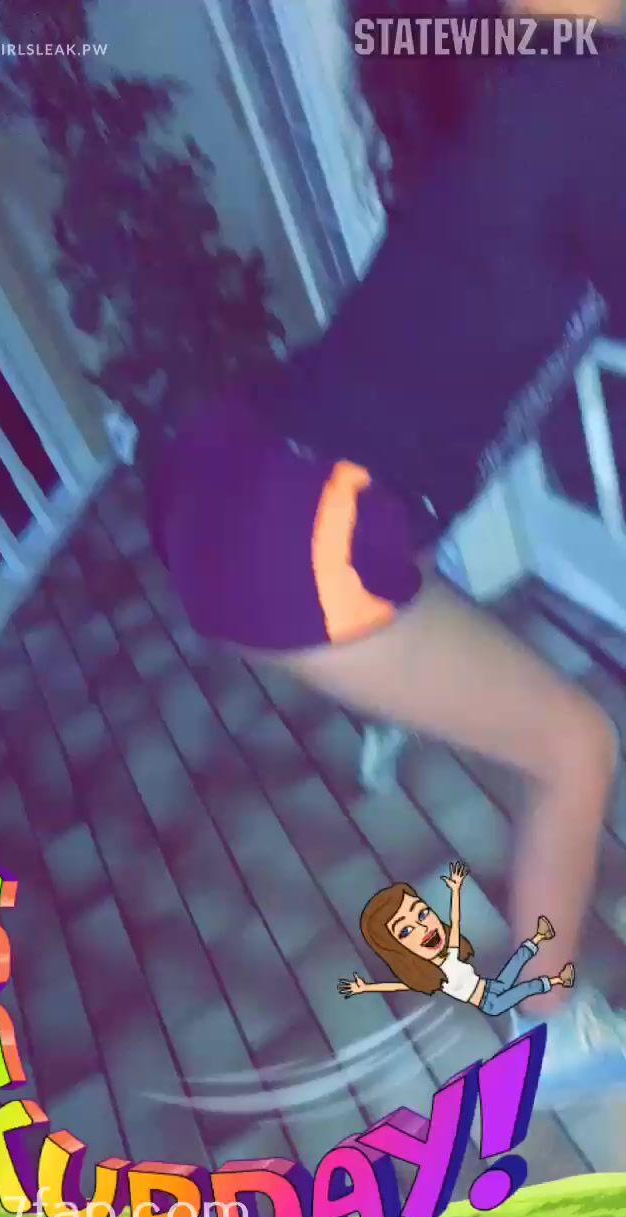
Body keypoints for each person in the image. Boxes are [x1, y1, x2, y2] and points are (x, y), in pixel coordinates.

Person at [148, 0, 626, 1106]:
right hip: (298, 525)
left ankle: (391, 691)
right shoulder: (580, 89)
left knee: (429, 591)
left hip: (238, 474)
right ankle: (549, 1034)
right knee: (574, 745)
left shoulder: (511, 86)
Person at [338, 865, 574, 1017]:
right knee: (524, 988)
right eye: (406, 931)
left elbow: (455, 919)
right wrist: (366, 988)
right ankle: (557, 980)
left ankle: (539, 938)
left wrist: (456, 891)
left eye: (422, 914)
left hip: (490, 988)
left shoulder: (448, 954)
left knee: (516, 965)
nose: (424, 928)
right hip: (490, 1002)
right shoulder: (430, 976)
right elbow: (398, 985)